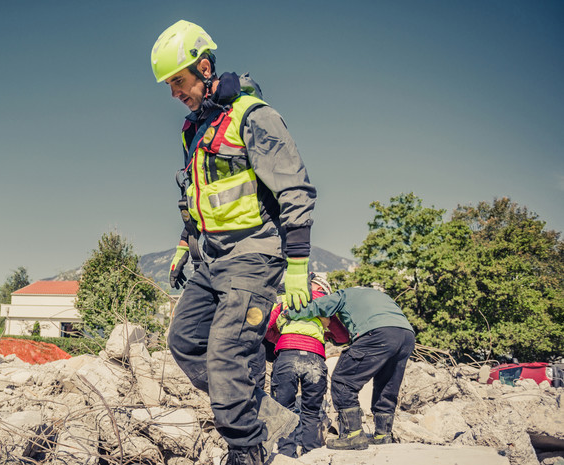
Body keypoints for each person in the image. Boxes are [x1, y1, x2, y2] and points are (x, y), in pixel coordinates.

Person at [151, 20, 317, 465]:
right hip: (211, 259)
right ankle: (268, 417)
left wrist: (298, 263)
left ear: (204, 68)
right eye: (169, 86)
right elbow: (197, 194)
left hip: (254, 257)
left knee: (226, 357)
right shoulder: (195, 130)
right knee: (186, 342)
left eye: (179, 81)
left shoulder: (254, 116)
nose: (174, 93)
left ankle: (247, 449)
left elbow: (295, 190)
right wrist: (186, 243)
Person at [284, 286, 416, 450]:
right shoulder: (381, 297)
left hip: (377, 333)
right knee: (387, 384)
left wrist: (290, 313)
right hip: (407, 335)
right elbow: (344, 336)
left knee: (343, 380)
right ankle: (383, 435)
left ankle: (352, 435)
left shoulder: (344, 294)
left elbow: (318, 306)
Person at [264, 274, 348, 457]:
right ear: (323, 290)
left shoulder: (286, 299)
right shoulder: (325, 303)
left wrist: (280, 338)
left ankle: (286, 456)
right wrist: (324, 335)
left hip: (287, 356)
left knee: (284, 410)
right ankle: (312, 455)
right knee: (311, 411)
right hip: (314, 359)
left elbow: (266, 326)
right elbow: (343, 337)